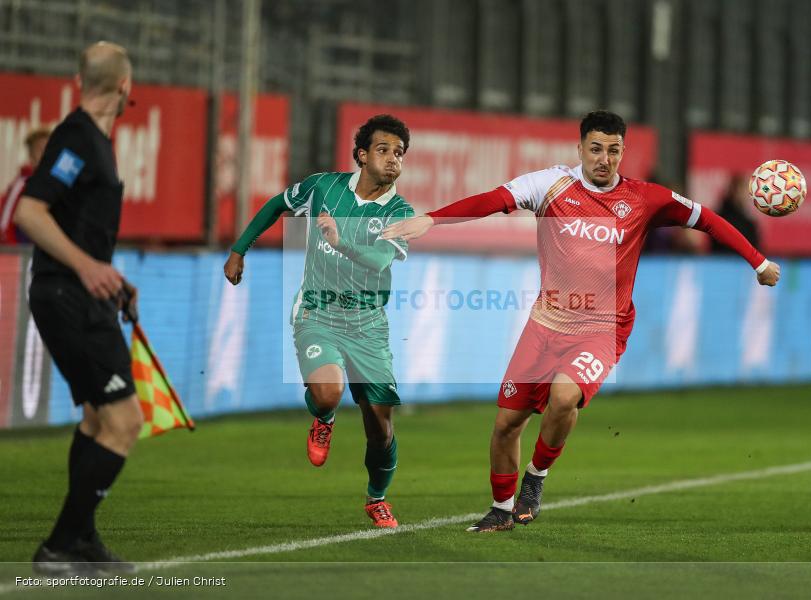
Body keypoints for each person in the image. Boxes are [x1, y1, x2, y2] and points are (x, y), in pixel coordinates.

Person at [382, 110, 781, 532]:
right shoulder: (550, 184)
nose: (603, 159)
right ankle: (500, 510)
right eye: (595, 149)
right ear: (580, 149)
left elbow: (708, 220)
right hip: (545, 324)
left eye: (613, 150)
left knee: (564, 395)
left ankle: (534, 479)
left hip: (602, 329)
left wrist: (758, 262)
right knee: (505, 425)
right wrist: (432, 219)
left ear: (623, 151)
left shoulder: (646, 198)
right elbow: (493, 200)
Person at [224, 114, 414, 529]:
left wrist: (340, 242)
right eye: (383, 150)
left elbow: (380, 259)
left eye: (399, 153)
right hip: (318, 311)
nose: (393, 159)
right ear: (362, 155)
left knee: (380, 428)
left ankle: (376, 498)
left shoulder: (401, 211)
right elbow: (277, 204)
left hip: (367, 324)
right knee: (329, 393)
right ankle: (324, 417)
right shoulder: (322, 187)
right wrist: (240, 249)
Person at [14, 41, 140, 573]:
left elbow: (67, 223)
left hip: (79, 293)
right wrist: (88, 268)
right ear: (125, 87)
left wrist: (110, 277)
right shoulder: (77, 138)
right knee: (124, 421)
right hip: (69, 294)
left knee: (95, 419)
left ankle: (82, 539)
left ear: (79, 78)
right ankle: (61, 545)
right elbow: (30, 211)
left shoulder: (91, 141)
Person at [1, 127, 51, 244]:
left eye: (50, 149)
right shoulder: (21, 184)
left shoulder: (59, 185)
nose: (47, 154)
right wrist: (12, 253)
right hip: (22, 253)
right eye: (41, 150)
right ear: (31, 157)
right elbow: (4, 223)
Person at [710, 174, 760, 253]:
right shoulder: (722, 218)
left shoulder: (749, 222)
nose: (746, 194)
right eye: (743, 189)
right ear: (734, 191)